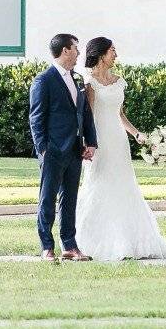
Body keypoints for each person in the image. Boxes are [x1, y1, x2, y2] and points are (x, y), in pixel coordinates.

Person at [73, 37, 166, 262]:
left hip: (119, 141)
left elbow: (120, 115)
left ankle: (129, 240)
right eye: (112, 51)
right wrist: (87, 143)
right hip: (100, 141)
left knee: (124, 185)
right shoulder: (89, 82)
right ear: (101, 54)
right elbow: (88, 116)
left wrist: (137, 134)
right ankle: (96, 241)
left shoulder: (119, 81)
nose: (116, 54)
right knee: (99, 184)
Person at [28, 33, 97, 260]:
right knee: (47, 199)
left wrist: (91, 142)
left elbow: (85, 113)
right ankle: (46, 246)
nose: (79, 53)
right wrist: (43, 149)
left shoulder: (77, 79)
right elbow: (36, 118)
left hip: (75, 150)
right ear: (65, 50)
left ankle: (69, 245)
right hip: (53, 150)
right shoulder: (43, 81)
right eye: (76, 48)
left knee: (69, 200)